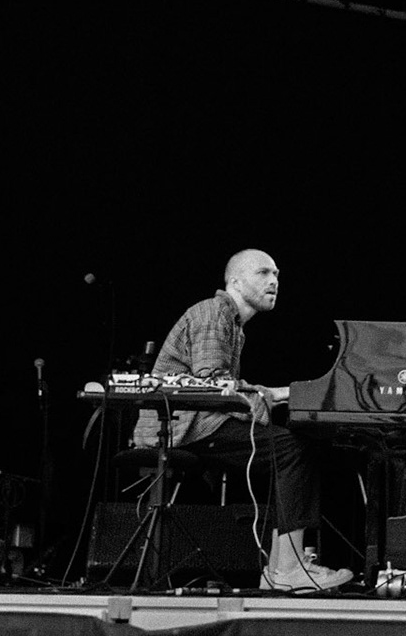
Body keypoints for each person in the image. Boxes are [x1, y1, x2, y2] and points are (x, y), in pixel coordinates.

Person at [133, 249, 352, 592]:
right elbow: (216, 385)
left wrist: (274, 394)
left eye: (277, 275)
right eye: (264, 273)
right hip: (183, 426)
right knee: (293, 449)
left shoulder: (233, 325)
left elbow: (223, 387)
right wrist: (270, 396)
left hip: (196, 423)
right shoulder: (212, 312)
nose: (274, 282)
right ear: (234, 281)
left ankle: (283, 568)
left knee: (294, 447)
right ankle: (287, 569)